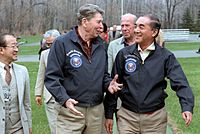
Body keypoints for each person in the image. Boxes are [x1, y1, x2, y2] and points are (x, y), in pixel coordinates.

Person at [104, 14, 194, 134]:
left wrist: (187, 106)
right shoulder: (124, 54)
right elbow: (115, 84)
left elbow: (180, 82)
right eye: (136, 26)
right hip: (127, 118)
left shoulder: (166, 57)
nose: (136, 30)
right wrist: (109, 114)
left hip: (155, 120)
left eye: (141, 27)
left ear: (154, 32)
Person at [44, 4, 122, 134]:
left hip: (96, 112)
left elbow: (102, 75)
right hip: (71, 111)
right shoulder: (62, 43)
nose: (101, 26)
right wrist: (65, 99)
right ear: (85, 22)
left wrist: (108, 84)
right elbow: (52, 78)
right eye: (98, 21)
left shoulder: (101, 45)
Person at [0, 33, 32, 134]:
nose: (17, 50)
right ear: (1, 50)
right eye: (13, 46)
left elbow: (26, 103)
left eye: (17, 46)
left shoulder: (23, 71)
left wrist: (29, 126)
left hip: (18, 128)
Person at [34, 29, 60, 134]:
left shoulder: (68, 53)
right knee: (54, 127)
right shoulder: (44, 54)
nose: (50, 46)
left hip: (66, 96)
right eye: (48, 44)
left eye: (52, 43)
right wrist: (38, 94)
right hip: (50, 97)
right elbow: (41, 74)